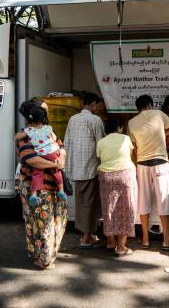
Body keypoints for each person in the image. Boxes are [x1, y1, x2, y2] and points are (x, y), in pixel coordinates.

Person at [16, 99, 67, 270]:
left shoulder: (48, 131)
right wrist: (55, 164)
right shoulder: (26, 135)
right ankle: (44, 258)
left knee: (57, 221)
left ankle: (46, 254)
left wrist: (61, 158)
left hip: (54, 186)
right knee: (40, 223)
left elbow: (62, 147)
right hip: (36, 188)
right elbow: (32, 160)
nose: (47, 114)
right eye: (44, 110)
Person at [128, 94, 169, 251]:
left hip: (142, 165)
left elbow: (134, 148)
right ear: (150, 105)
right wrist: (165, 134)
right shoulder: (158, 113)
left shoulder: (131, 122)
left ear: (138, 108)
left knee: (143, 202)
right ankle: (166, 240)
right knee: (163, 200)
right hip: (160, 164)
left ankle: (145, 239)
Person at [64, 92, 106, 249]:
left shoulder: (73, 119)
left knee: (82, 201)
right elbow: (101, 145)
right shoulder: (95, 120)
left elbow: (67, 142)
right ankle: (86, 237)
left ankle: (88, 234)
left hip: (76, 167)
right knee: (89, 203)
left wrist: (68, 166)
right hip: (90, 167)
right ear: (93, 105)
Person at [96, 117, 138, 256]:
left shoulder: (101, 142)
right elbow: (130, 155)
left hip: (106, 177)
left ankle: (110, 242)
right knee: (126, 209)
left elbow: (100, 158)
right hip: (124, 175)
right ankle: (121, 247)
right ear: (119, 128)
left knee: (109, 208)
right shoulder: (125, 139)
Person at [17, 105, 65, 206]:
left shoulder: (29, 131)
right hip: (53, 152)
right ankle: (61, 190)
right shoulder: (48, 128)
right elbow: (57, 141)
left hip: (41, 153)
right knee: (57, 172)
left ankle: (34, 195)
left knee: (37, 173)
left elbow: (16, 137)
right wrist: (56, 163)